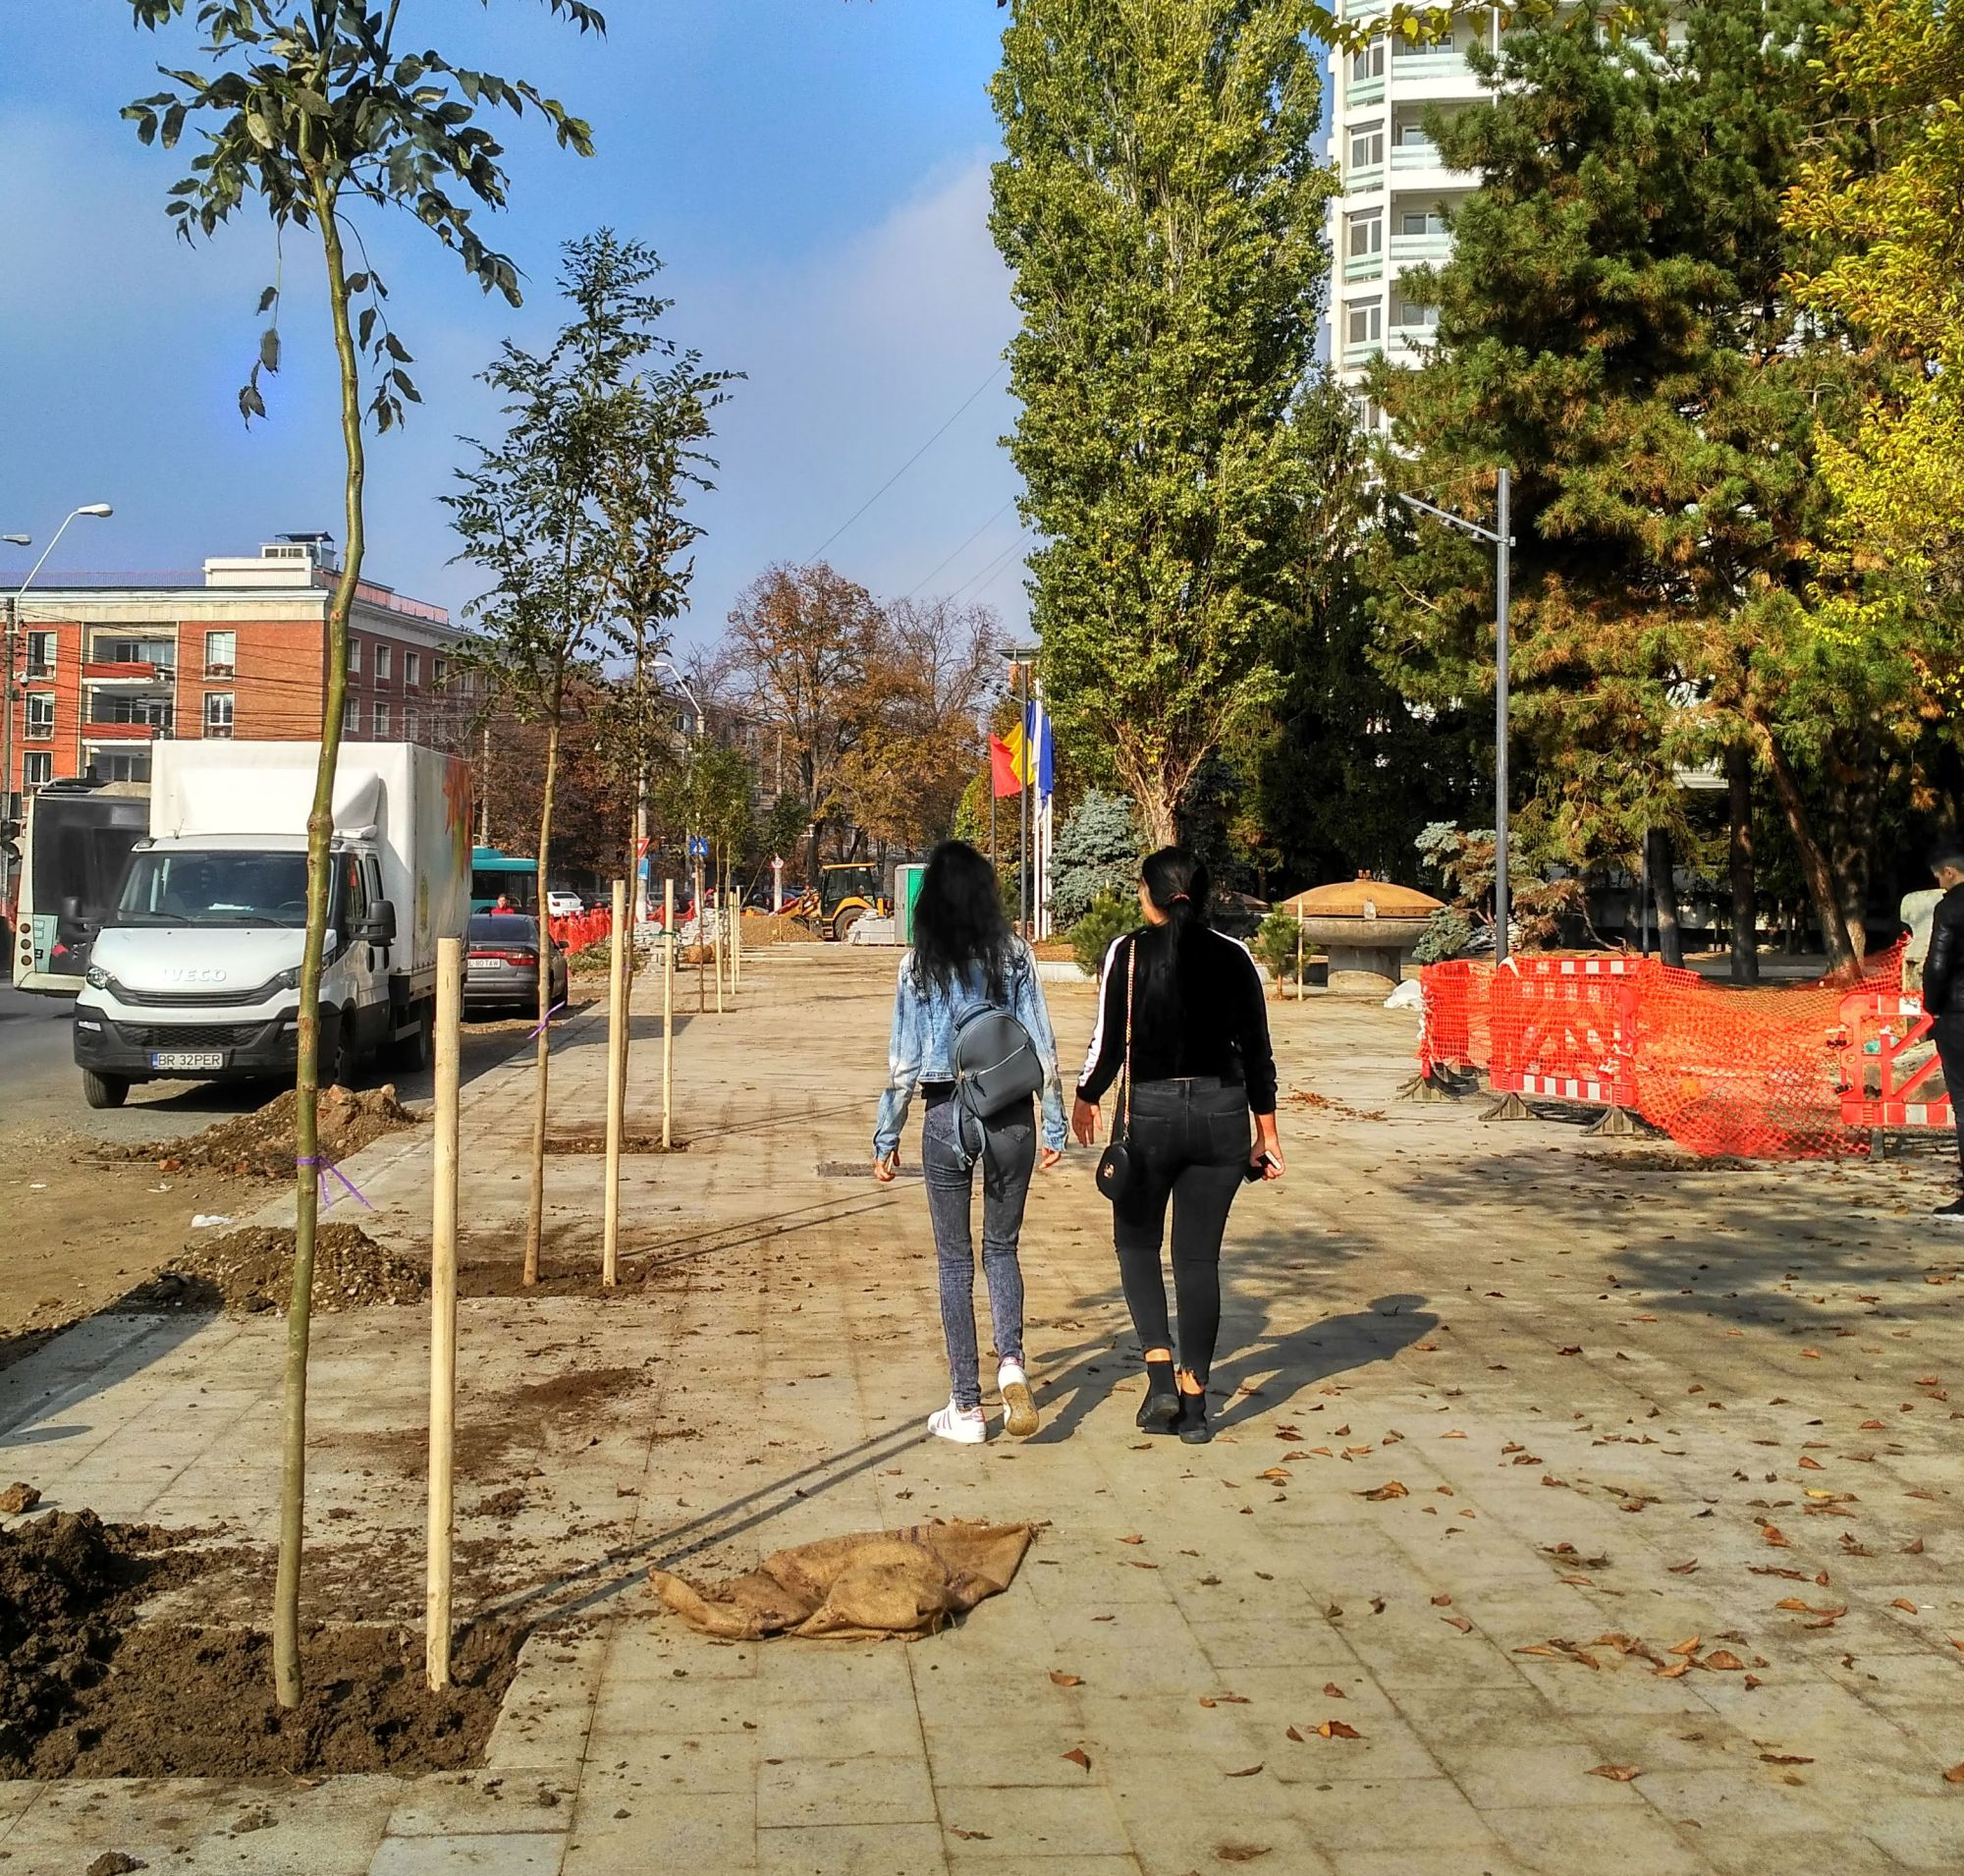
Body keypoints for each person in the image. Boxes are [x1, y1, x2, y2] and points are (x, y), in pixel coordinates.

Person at [1073, 848, 1282, 1444]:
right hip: (1223, 1114)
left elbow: (1109, 1042)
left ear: (1149, 894)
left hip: (1152, 1115)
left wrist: (1087, 1096)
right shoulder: (1234, 955)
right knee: (1198, 1260)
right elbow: (1257, 1050)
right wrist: (1267, 1133)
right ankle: (1196, 1407)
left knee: (1137, 1242)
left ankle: (1160, 1373)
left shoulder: (1128, 952)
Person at [874, 841, 1068, 1443]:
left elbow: (904, 1065)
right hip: (1011, 1114)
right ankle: (1011, 1363)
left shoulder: (917, 966)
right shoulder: (1015, 955)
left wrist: (887, 1135)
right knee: (1002, 1249)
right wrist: (1054, 1122)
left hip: (945, 1113)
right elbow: (1043, 1047)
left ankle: (966, 1407)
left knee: (955, 1261)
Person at [1920, 845, 1964, 1220]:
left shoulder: (1950, 908)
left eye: (1939, 875)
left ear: (1951, 871)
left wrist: (1932, 1007)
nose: (1938, 882)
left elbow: (1937, 965)